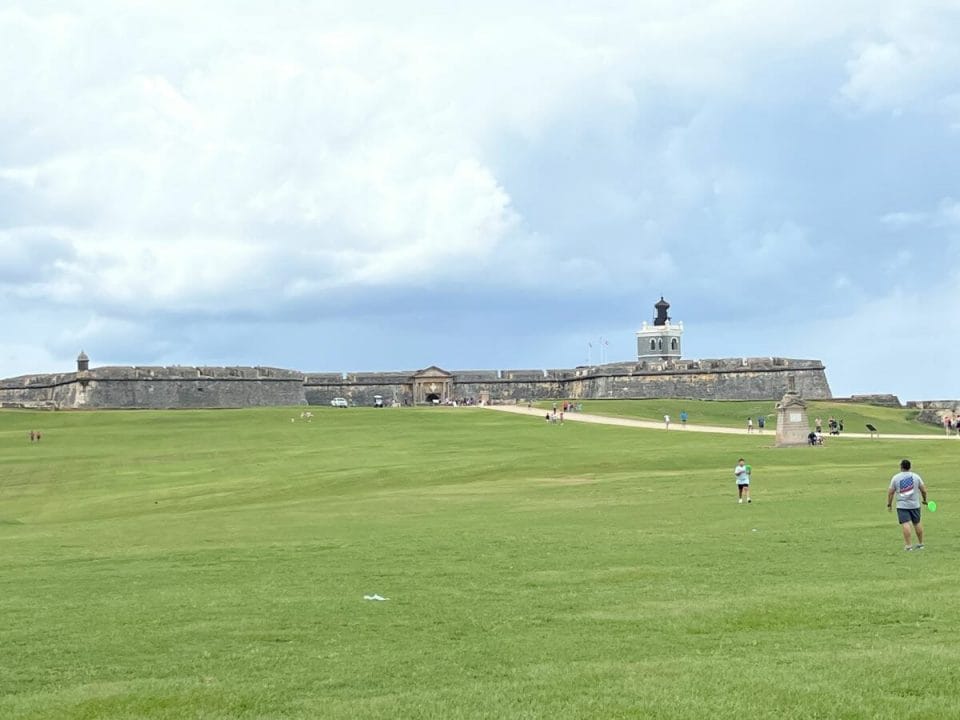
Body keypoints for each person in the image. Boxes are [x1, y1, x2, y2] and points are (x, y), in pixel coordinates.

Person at [887, 459, 928, 550]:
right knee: (917, 523)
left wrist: (889, 504)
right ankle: (921, 544)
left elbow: (890, 493)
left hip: (902, 505)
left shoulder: (896, 477)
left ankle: (908, 545)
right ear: (910, 467)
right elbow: (924, 490)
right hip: (915, 505)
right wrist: (924, 500)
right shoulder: (916, 476)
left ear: (901, 467)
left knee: (905, 524)